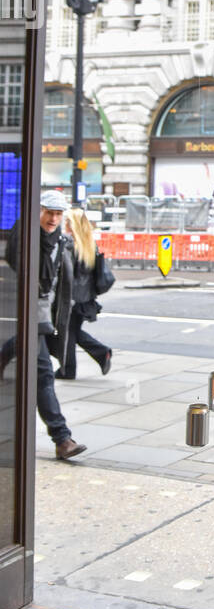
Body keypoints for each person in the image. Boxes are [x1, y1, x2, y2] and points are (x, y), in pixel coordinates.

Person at [3, 191, 86, 460]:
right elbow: (21, 270)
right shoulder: (24, 236)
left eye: (58, 214)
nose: (53, 218)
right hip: (25, 311)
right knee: (43, 374)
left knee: (25, 353)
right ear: (37, 210)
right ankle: (62, 438)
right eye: (49, 212)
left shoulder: (57, 241)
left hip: (40, 314)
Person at [56, 208, 112, 380]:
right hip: (85, 298)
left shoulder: (69, 244)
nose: (64, 224)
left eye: (67, 222)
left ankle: (69, 369)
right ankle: (101, 354)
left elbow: (66, 274)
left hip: (72, 297)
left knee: (69, 333)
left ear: (72, 225)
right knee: (73, 332)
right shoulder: (89, 243)